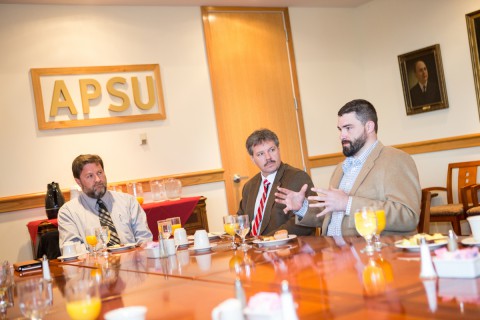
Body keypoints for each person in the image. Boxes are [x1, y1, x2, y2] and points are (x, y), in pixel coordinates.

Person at [275, 99, 421, 236]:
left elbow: (408, 216)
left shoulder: (394, 159)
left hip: (372, 254)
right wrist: (302, 207)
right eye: (340, 129)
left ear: (369, 127)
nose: (342, 135)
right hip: (331, 252)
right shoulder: (340, 168)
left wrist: (348, 203)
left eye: (348, 128)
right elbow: (330, 217)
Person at [58, 154, 152, 249]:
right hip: (93, 263)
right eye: (90, 176)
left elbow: (145, 239)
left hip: (132, 260)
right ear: (78, 182)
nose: (98, 179)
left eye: (99, 173)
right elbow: (72, 250)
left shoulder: (129, 202)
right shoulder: (68, 212)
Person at [237, 129, 315, 237]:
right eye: (260, 154)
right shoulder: (249, 186)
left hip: (285, 249)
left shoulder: (297, 177)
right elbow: (241, 220)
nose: (268, 157)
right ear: (252, 159)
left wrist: (266, 241)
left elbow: (306, 221)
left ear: (278, 149)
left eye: (272, 150)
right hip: (253, 249)